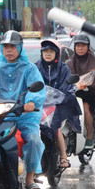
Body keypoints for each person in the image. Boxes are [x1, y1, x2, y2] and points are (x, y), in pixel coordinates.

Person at [0, 31, 46, 189]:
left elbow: (37, 90)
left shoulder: (30, 69)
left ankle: (30, 178)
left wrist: (31, 102)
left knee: (32, 140)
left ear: (20, 48)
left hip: (24, 116)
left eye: (12, 47)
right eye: (5, 47)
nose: (8, 50)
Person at [35, 39, 81, 169]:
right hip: (39, 104)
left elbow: (68, 85)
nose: (48, 54)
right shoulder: (36, 67)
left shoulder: (63, 68)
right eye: (45, 51)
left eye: (51, 51)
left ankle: (63, 157)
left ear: (56, 53)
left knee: (56, 128)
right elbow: (30, 83)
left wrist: (61, 96)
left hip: (58, 104)